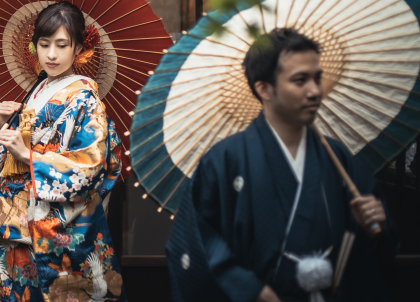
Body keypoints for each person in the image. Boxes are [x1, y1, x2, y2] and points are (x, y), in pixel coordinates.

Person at [166, 28, 398, 302]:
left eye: (317, 78)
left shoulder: (338, 157)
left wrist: (372, 227)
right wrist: (250, 289)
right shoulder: (225, 161)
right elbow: (197, 245)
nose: (315, 91)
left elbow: (375, 247)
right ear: (264, 88)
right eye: (300, 80)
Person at [0, 1, 127, 302]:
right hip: (8, 227)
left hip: (41, 234)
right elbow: (21, 146)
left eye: (62, 45)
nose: (51, 54)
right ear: (34, 45)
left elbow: (89, 167)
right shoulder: (38, 89)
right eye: (44, 44)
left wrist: (29, 156)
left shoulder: (84, 97)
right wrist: (4, 125)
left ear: (79, 49)